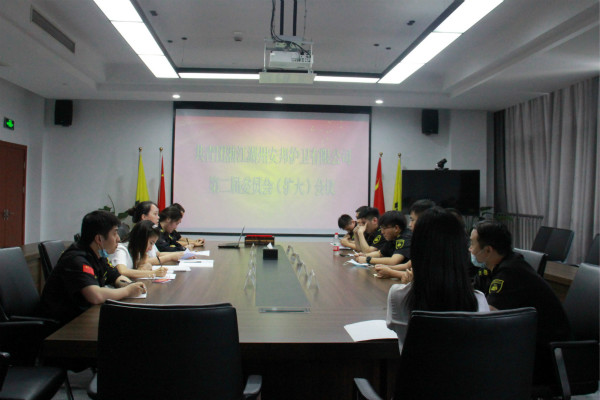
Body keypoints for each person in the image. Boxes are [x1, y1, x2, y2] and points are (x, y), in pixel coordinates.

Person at [470, 220, 571, 385]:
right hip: (525, 344)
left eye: (472, 244)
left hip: (546, 356)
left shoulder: (511, 272)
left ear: (488, 250)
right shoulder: (492, 266)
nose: (470, 249)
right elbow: (471, 293)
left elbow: (488, 314)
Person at [387, 207, 489, 353]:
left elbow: (394, 329)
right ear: (460, 251)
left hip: (416, 368)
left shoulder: (398, 296)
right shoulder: (479, 301)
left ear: (417, 249)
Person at [41, 211, 146, 325]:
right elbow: (95, 295)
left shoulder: (98, 254)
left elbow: (114, 276)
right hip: (62, 326)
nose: (118, 239)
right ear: (99, 239)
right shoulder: (76, 259)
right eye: (115, 233)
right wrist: (127, 291)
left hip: (82, 316)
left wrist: (130, 284)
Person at [374, 199, 435, 279]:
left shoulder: (434, 243)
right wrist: (385, 268)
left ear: (425, 220)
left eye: (412, 220)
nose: (409, 224)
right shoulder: (421, 240)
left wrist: (391, 272)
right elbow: (407, 266)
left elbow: (426, 277)